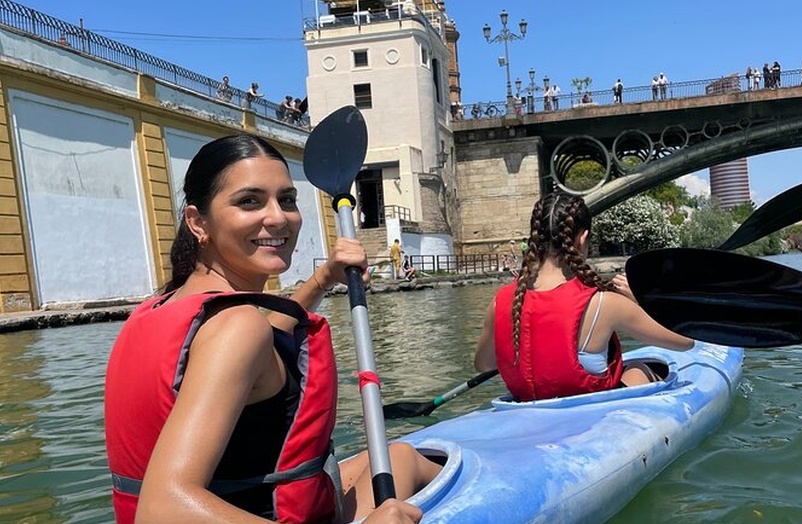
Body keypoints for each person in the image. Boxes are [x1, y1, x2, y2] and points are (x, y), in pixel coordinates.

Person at [104, 135, 439, 524]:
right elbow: (163, 509)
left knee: (396, 456)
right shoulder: (237, 329)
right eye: (250, 201)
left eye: (287, 199)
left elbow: (263, 343)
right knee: (406, 462)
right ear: (198, 222)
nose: (278, 217)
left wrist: (323, 278)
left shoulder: (160, 308)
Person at [473, 191, 694, 402]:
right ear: (582, 239)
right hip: (593, 413)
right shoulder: (603, 303)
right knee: (642, 369)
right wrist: (640, 301)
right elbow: (685, 342)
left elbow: (484, 364)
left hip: (531, 407)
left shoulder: (501, 301)